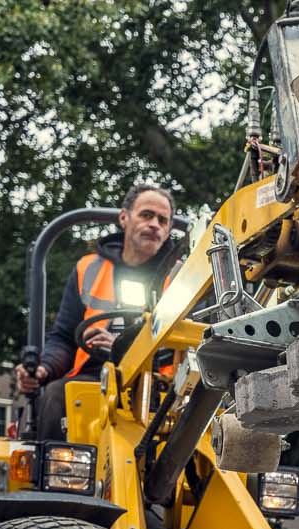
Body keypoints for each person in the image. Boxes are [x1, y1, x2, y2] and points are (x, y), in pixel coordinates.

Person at [15, 183, 181, 438]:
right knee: (56, 395)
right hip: (94, 378)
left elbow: (186, 345)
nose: (154, 224)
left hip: (159, 385)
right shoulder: (88, 269)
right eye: (146, 215)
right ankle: (61, 475)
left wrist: (121, 346)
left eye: (163, 220)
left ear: (169, 229)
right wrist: (43, 368)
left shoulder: (182, 278)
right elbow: (64, 337)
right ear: (124, 218)